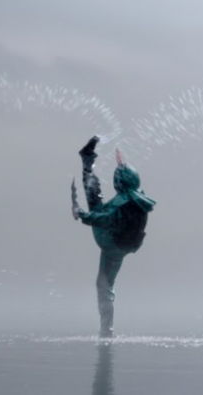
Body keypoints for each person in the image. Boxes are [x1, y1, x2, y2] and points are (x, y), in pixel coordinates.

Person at [72, 136, 156, 338]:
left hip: (112, 241)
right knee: (105, 285)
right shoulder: (137, 196)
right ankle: (87, 159)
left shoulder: (123, 204)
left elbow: (105, 219)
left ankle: (106, 331)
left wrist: (81, 214)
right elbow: (129, 182)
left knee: (94, 199)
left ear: (120, 182)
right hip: (124, 244)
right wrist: (123, 165)